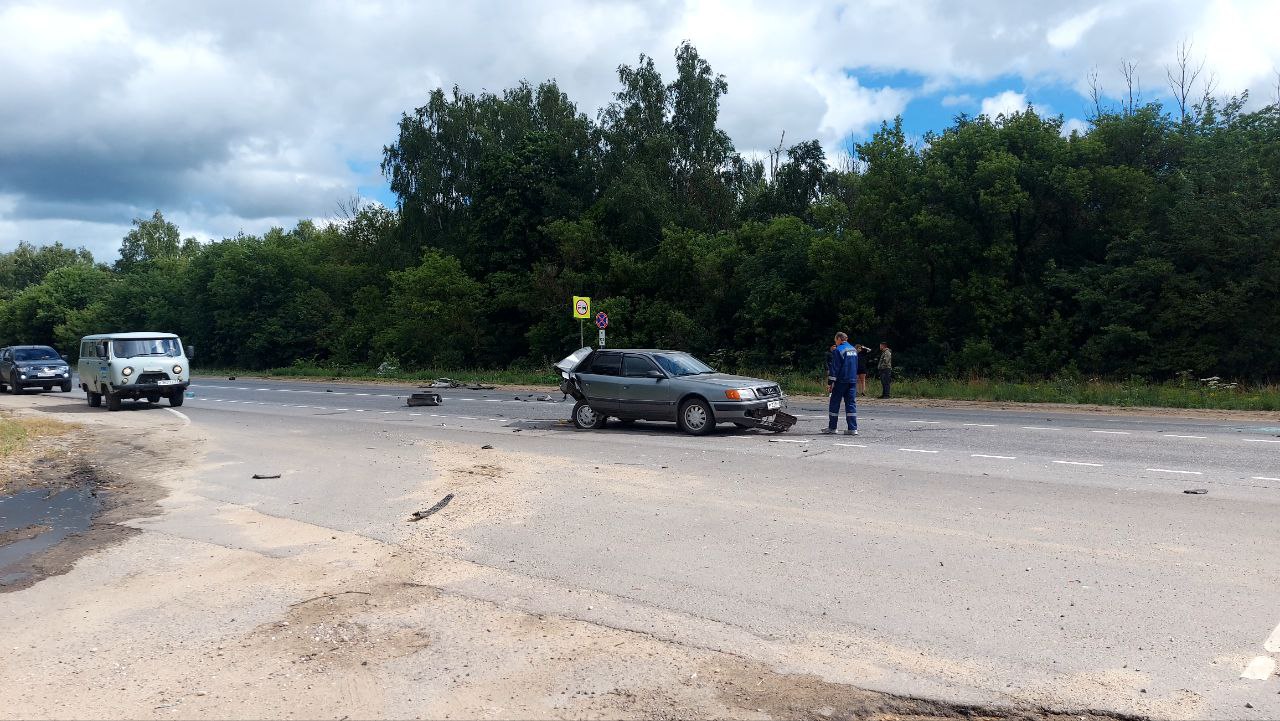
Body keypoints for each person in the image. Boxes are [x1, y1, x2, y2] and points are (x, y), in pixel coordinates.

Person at [822, 332, 859, 436]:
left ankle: (832, 428)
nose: (835, 343)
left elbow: (835, 368)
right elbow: (856, 365)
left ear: (839, 339)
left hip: (841, 381)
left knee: (834, 403)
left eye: (835, 341)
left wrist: (830, 383)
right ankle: (853, 429)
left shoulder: (838, 350)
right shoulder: (853, 350)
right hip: (852, 381)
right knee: (851, 404)